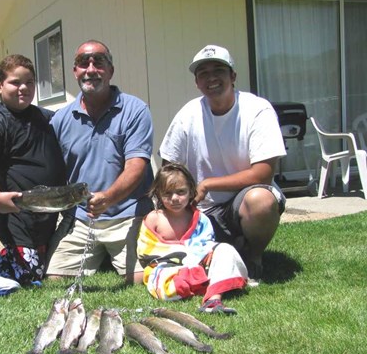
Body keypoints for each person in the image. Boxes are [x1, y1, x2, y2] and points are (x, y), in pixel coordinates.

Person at [159, 44, 287, 283]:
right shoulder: (188, 114)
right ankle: (229, 245)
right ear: (197, 82)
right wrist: (180, 200)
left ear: (233, 76)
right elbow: (169, 167)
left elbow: (263, 174)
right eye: (203, 73)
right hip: (202, 208)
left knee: (261, 200)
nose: (211, 77)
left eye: (218, 70)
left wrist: (207, 184)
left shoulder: (257, 109)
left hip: (243, 201)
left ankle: (253, 257)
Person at [46, 40, 154, 285]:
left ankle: (108, 254)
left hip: (127, 214)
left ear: (111, 71)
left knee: (140, 280)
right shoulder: (60, 120)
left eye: (99, 62)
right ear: (75, 71)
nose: (91, 69)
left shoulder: (135, 110)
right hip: (82, 218)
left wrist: (108, 198)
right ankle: (103, 255)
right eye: (83, 63)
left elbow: (137, 166)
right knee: (54, 279)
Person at [0, 54, 66, 286]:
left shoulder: (43, 116)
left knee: (39, 258)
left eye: (29, 82)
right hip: (18, 212)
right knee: (28, 273)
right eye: (15, 82)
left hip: (45, 209)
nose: (24, 88)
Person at [137, 163, 248, 314]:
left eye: (181, 192)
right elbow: (147, 251)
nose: (174, 198)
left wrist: (193, 258)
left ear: (191, 191)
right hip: (167, 269)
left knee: (225, 250)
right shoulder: (154, 219)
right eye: (167, 193)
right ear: (158, 194)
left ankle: (213, 298)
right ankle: (207, 282)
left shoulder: (200, 219)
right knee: (168, 284)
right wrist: (181, 253)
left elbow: (206, 246)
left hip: (198, 264)